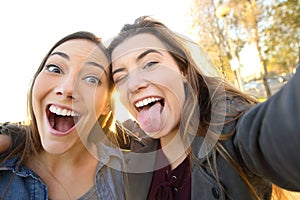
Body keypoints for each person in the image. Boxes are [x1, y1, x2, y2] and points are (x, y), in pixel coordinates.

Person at [107, 16, 300, 200]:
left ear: (182, 70)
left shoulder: (230, 130)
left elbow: (282, 133)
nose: (133, 85)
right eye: (120, 77)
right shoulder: (137, 145)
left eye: (150, 64)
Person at [0, 31, 125, 200]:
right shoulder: (5, 159)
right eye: (55, 69)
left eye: (91, 79)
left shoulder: (130, 177)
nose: (67, 89)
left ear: (107, 104)